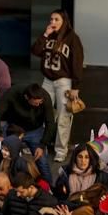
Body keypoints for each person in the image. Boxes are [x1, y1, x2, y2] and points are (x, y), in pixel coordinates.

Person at [31, 10, 84, 162]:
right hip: (47, 80)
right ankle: (40, 145)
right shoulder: (48, 35)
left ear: (64, 21)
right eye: (51, 19)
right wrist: (45, 35)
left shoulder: (72, 38)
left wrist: (75, 86)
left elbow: (77, 63)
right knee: (42, 113)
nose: (52, 22)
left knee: (63, 117)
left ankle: (61, 150)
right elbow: (35, 50)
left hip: (64, 82)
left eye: (56, 19)